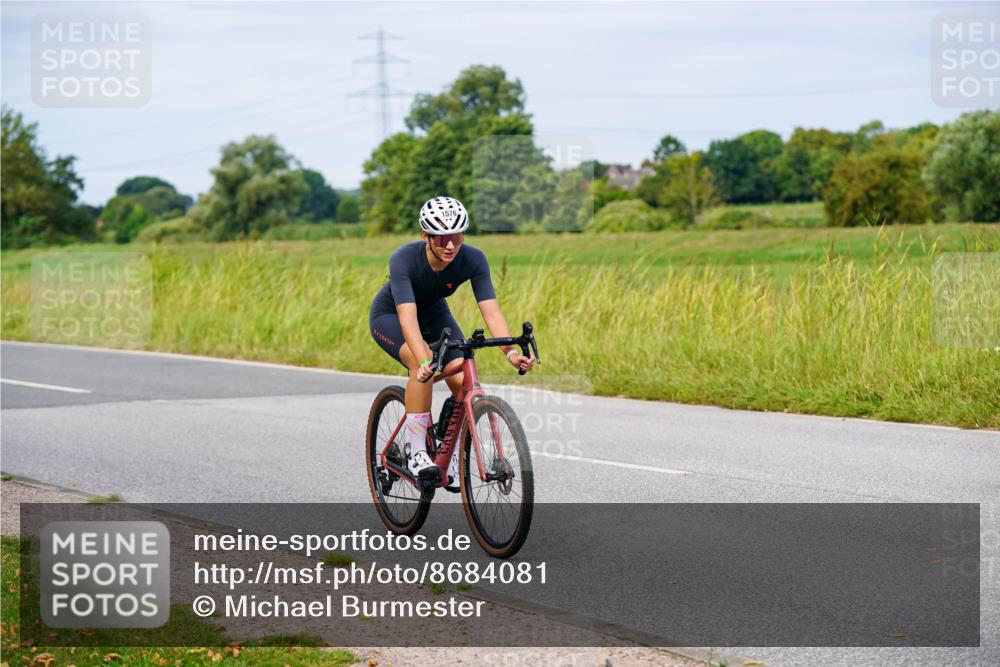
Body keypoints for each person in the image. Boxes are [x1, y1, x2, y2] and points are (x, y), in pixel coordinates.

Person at [368, 196, 535, 491]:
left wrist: (509, 352)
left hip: (434, 313)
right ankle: (418, 451)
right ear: (426, 236)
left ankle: (450, 452)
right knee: (423, 367)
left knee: (462, 378)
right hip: (392, 315)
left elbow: (490, 310)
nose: (450, 245)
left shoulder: (473, 258)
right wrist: (422, 360)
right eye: (442, 238)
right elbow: (408, 320)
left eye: (456, 236)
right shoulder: (404, 259)